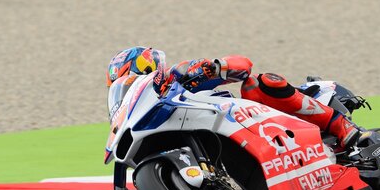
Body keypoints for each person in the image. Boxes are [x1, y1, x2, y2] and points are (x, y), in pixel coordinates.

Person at [106, 46, 361, 148]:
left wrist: (214, 67)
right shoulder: (150, 115)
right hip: (232, 139)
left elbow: (243, 64)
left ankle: (341, 125)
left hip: (249, 119)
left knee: (259, 84)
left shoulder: (179, 75)